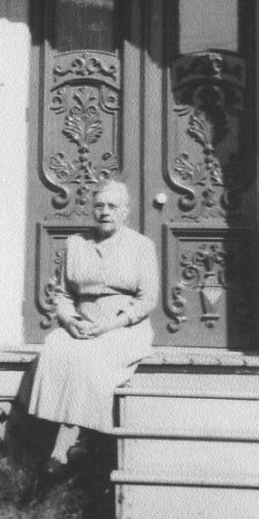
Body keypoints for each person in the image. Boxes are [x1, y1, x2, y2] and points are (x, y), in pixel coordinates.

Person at [26, 179, 159, 481]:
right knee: (54, 350)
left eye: (112, 206)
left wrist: (112, 323)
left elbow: (147, 298)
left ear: (126, 211)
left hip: (125, 327)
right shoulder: (76, 244)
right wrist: (70, 320)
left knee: (90, 359)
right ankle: (80, 442)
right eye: (99, 206)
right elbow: (62, 294)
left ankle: (62, 449)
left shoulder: (141, 246)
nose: (105, 212)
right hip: (83, 323)